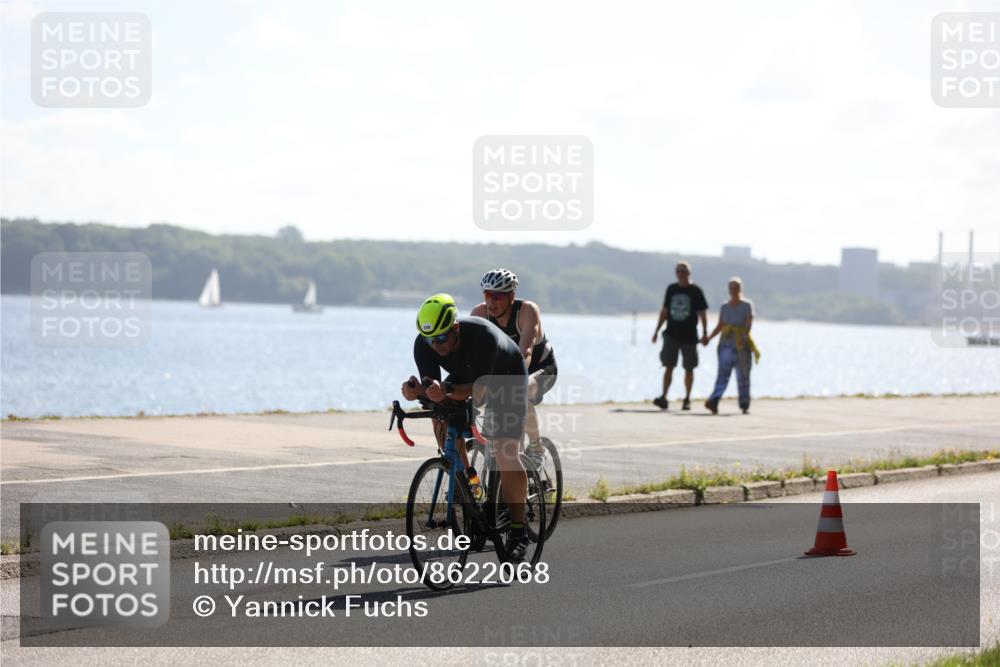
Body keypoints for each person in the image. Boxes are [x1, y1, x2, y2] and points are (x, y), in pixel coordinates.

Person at [401, 293, 531, 561]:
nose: (435, 345)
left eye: (440, 338)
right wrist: (417, 392)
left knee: (505, 451)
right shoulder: (424, 344)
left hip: (505, 377)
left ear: (455, 328)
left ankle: (519, 532)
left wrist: (445, 389)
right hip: (467, 375)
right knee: (440, 417)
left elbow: (481, 393)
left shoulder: (482, 337)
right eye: (429, 339)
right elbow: (433, 389)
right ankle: (469, 485)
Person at [470, 269, 557, 470]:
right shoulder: (480, 314)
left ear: (511, 296)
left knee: (520, 391)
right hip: (503, 371)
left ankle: (536, 448)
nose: (491, 302)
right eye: (487, 295)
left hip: (541, 368)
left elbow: (525, 352)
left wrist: (511, 380)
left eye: (498, 296)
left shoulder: (527, 311)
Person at [651, 261, 708, 410]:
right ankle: (664, 397)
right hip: (671, 334)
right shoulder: (671, 289)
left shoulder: (696, 291)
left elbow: (702, 313)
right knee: (668, 365)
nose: (681, 274)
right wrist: (656, 331)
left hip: (689, 336)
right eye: (678, 271)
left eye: (684, 271)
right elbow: (664, 311)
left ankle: (687, 398)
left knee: (689, 368)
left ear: (689, 273)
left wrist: (705, 333)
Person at [703, 277, 760, 414]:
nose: (734, 290)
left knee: (743, 375)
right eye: (731, 287)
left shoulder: (747, 305)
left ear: (741, 289)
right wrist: (709, 338)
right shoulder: (725, 306)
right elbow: (720, 326)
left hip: (741, 344)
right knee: (722, 374)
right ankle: (714, 400)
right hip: (726, 344)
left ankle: (744, 403)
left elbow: (748, 323)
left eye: (736, 287)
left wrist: (744, 336)